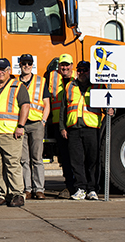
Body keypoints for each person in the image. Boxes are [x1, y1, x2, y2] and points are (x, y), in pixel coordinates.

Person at [59, 61, 113, 201]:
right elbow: (63, 109)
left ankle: (92, 189)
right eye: (80, 70)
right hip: (74, 129)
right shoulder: (70, 86)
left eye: (85, 70)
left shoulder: (99, 86)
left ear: (90, 72)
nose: (82, 73)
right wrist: (62, 127)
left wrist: (112, 110)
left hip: (92, 129)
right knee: (76, 161)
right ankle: (81, 188)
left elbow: (109, 103)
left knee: (93, 160)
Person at [0, 58, 30, 207]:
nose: (0, 72)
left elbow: (25, 106)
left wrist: (21, 126)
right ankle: (3, 194)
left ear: (9, 70)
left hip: (10, 133)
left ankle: (17, 194)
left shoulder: (18, 86)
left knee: (12, 165)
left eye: (3, 69)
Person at [17, 54, 50, 200]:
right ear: (20, 64)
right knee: (24, 159)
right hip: (21, 124)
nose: (26, 66)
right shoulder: (14, 82)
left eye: (29, 63)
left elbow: (46, 104)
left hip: (36, 123)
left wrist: (43, 121)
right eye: (24, 63)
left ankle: (39, 189)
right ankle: (27, 189)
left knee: (37, 158)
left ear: (32, 65)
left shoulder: (41, 81)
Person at [48, 53, 77, 198]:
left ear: (72, 66)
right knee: (64, 157)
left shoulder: (79, 78)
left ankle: (82, 186)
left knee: (77, 157)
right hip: (58, 123)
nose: (64, 68)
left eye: (67, 65)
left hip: (75, 122)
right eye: (62, 65)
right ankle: (70, 186)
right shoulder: (53, 77)